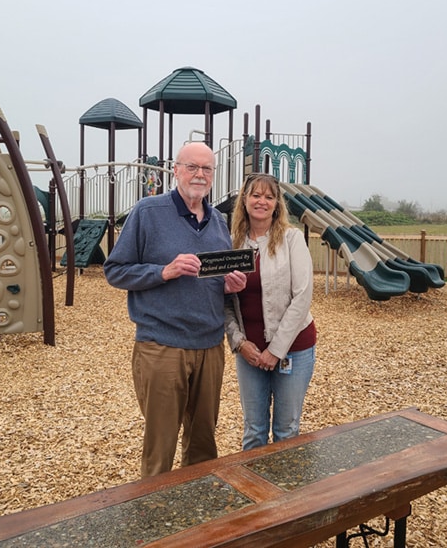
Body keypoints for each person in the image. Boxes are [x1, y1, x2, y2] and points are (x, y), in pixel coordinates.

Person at [103, 142, 246, 478]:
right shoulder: (148, 212)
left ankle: (193, 513)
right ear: (176, 170)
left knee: (203, 443)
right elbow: (115, 270)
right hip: (162, 346)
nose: (200, 175)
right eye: (192, 167)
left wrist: (227, 285)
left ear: (214, 175)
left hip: (210, 347)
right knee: (161, 445)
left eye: (207, 169)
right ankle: (154, 515)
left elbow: (212, 278)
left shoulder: (218, 222)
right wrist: (162, 271)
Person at [224, 173, 317, 450]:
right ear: (245, 200)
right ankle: (256, 492)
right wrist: (239, 343)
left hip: (293, 348)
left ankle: (286, 492)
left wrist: (275, 350)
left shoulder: (291, 239)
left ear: (277, 204)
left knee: (286, 430)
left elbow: (302, 297)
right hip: (249, 351)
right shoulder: (232, 242)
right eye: (255, 195)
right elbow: (224, 299)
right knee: (254, 430)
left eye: (269, 196)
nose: (261, 201)